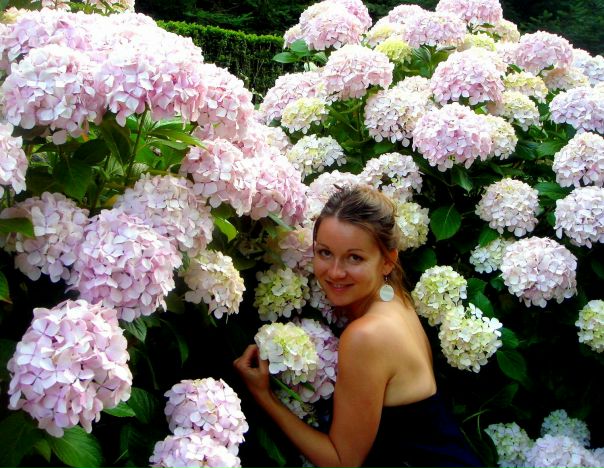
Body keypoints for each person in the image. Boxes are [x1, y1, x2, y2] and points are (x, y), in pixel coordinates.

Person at [234, 185, 483, 468]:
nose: (335, 272)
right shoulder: (397, 301)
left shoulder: (366, 336)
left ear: (388, 261)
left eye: (355, 257)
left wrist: (264, 395)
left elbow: (342, 462)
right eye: (325, 253)